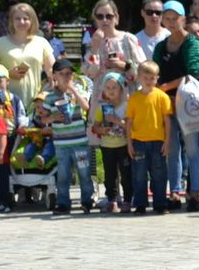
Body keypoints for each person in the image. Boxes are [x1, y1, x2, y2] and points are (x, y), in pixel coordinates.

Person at [153, 1, 199, 210]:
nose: (171, 22)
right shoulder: (161, 45)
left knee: (192, 148)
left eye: (175, 18)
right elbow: (154, 73)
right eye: (167, 18)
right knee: (172, 149)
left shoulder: (192, 43)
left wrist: (166, 87)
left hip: (187, 103)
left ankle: (194, 192)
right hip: (166, 104)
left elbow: (192, 74)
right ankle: (174, 191)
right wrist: (160, 91)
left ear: (183, 19)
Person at [45, 59, 94, 214]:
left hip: (80, 142)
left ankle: (87, 200)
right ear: (54, 76)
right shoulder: (50, 97)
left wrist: (73, 90)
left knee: (84, 173)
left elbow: (86, 107)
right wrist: (53, 119)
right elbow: (43, 119)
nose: (66, 77)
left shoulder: (78, 90)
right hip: (61, 144)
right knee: (63, 175)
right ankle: (63, 202)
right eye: (62, 74)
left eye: (69, 74)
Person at [125, 61, 172, 214]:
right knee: (139, 174)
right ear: (138, 77)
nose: (148, 80)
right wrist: (129, 143)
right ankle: (140, 204)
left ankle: (160, 203)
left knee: (159, 173)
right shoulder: (133, 98)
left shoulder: (162, 97)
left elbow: (167, 120)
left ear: (157, 78)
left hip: (158, 141)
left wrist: (167, 140)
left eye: (152, 77)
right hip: (138, 142)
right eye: (145, 77)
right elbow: (129, 121)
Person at [88, 72, 131, 214]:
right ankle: (112, 199)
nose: (111, 91)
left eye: (114, 87)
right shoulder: (102, 107)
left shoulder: (126, 106)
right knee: (110, 175)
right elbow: (95, 127)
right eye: (108, 88)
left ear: (121, 89)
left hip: (124, 145)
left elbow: (131, 126)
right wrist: (101, 129)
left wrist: (116, 120)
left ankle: (127, 199)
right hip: (107, 146)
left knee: (126, 174)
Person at [82, 0, 145, 88]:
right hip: (101, 97)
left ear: (116, 18)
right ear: (95, 19)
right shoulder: (92, 42)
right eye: (100, 16)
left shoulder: (128, 39)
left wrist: (124, 66)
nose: (104, 20)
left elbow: (144, 70)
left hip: (127, 95)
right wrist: (95, 49)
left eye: (109, 16)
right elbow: (90, 74)